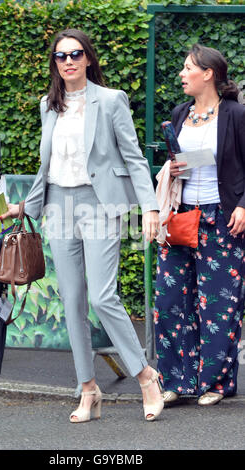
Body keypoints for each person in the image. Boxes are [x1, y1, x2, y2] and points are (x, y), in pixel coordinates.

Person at [0, 29, 164, 422]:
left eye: (75, 54)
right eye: (61, 56)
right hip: (58, 206)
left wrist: (151, 208)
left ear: (88, 58)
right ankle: (88, 389)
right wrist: (26, 207)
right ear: (54, 64)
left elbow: (134, 157)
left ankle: (145, 375)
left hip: (99, 204)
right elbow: (47, 167)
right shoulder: (48, 105)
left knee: (102, 297)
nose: (68, 61)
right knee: (72, 300)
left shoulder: (110, 101)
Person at [154, 44, 245, 406]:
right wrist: (174, 167)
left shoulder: (236, 114)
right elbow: (188, 163)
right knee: (171, 298)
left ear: (208, 73)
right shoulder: (179, 113)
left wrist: (243, 204)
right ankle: (176, 379)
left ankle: (216, 383)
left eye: (187, 67)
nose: (181, 74)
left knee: (219, 304)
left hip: (222, 218)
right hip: (181, 216)